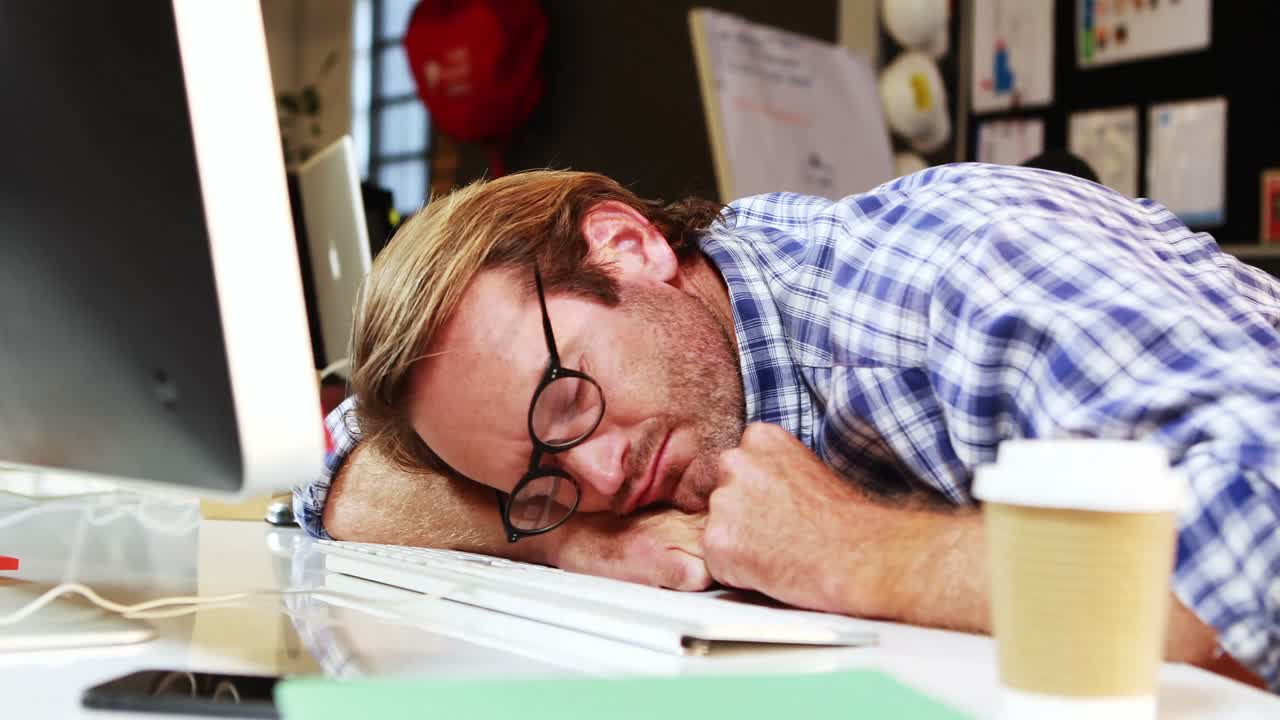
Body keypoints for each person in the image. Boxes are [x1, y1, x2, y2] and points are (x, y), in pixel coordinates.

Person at [294, 163, 1280, 689]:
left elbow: (1255, 539)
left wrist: (865, 557)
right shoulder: (584, 475)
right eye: (537, 473)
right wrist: (568, 538)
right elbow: (330, 474)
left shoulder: (948, 275)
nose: (598, 471)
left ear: (628, 245)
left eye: (565, 401)